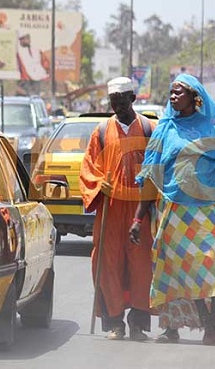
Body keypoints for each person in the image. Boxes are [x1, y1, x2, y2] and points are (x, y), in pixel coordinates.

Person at [130, 73, 215, 346]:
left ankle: (213, 330)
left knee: (209, 267)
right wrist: (138, 218)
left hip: (203, 214)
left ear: (194, 97)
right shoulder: (164, 129)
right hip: (171, 213)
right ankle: (171, 327)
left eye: (179, 92)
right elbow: (152, 176)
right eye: (171, 92)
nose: (173, 97)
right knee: (170, 271)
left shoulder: (212, 129)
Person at [79, 76, 156, 341]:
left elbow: (159, 168)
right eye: (113, 102)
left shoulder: (149, 129)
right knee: (108, 263)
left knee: (141, 265)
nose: (117, 107)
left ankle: (137, 323)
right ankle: (115, 322)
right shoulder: (101, 131)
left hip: (139, 210)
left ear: (133, 99)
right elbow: (89, 167)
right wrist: (101, 185)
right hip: (110, 209)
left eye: (122, 102)